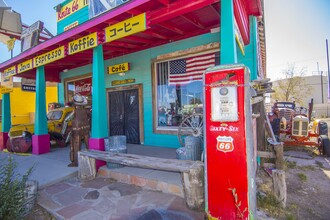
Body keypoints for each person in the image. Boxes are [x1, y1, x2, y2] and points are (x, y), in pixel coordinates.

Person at [68, 94, 91, 167]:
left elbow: (67, 120)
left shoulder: (74, 111)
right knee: (88, 145)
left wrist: (63, 131)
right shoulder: (86, 111)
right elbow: (91, 117)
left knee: (76, 146)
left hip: (77, 130)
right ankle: (90, 160)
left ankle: (76, 162)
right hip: (86, 129)